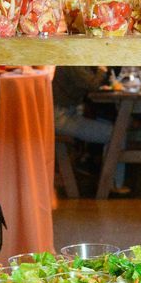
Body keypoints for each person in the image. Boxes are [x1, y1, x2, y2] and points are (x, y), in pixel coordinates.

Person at [52, 66, 126, 194]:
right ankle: (113, 184)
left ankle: (109, 181)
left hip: (63, 114)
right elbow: (93, 84)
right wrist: (102, 69)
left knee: (113, 127)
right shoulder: (73, 62)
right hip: (60, 118)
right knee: (116, 133)